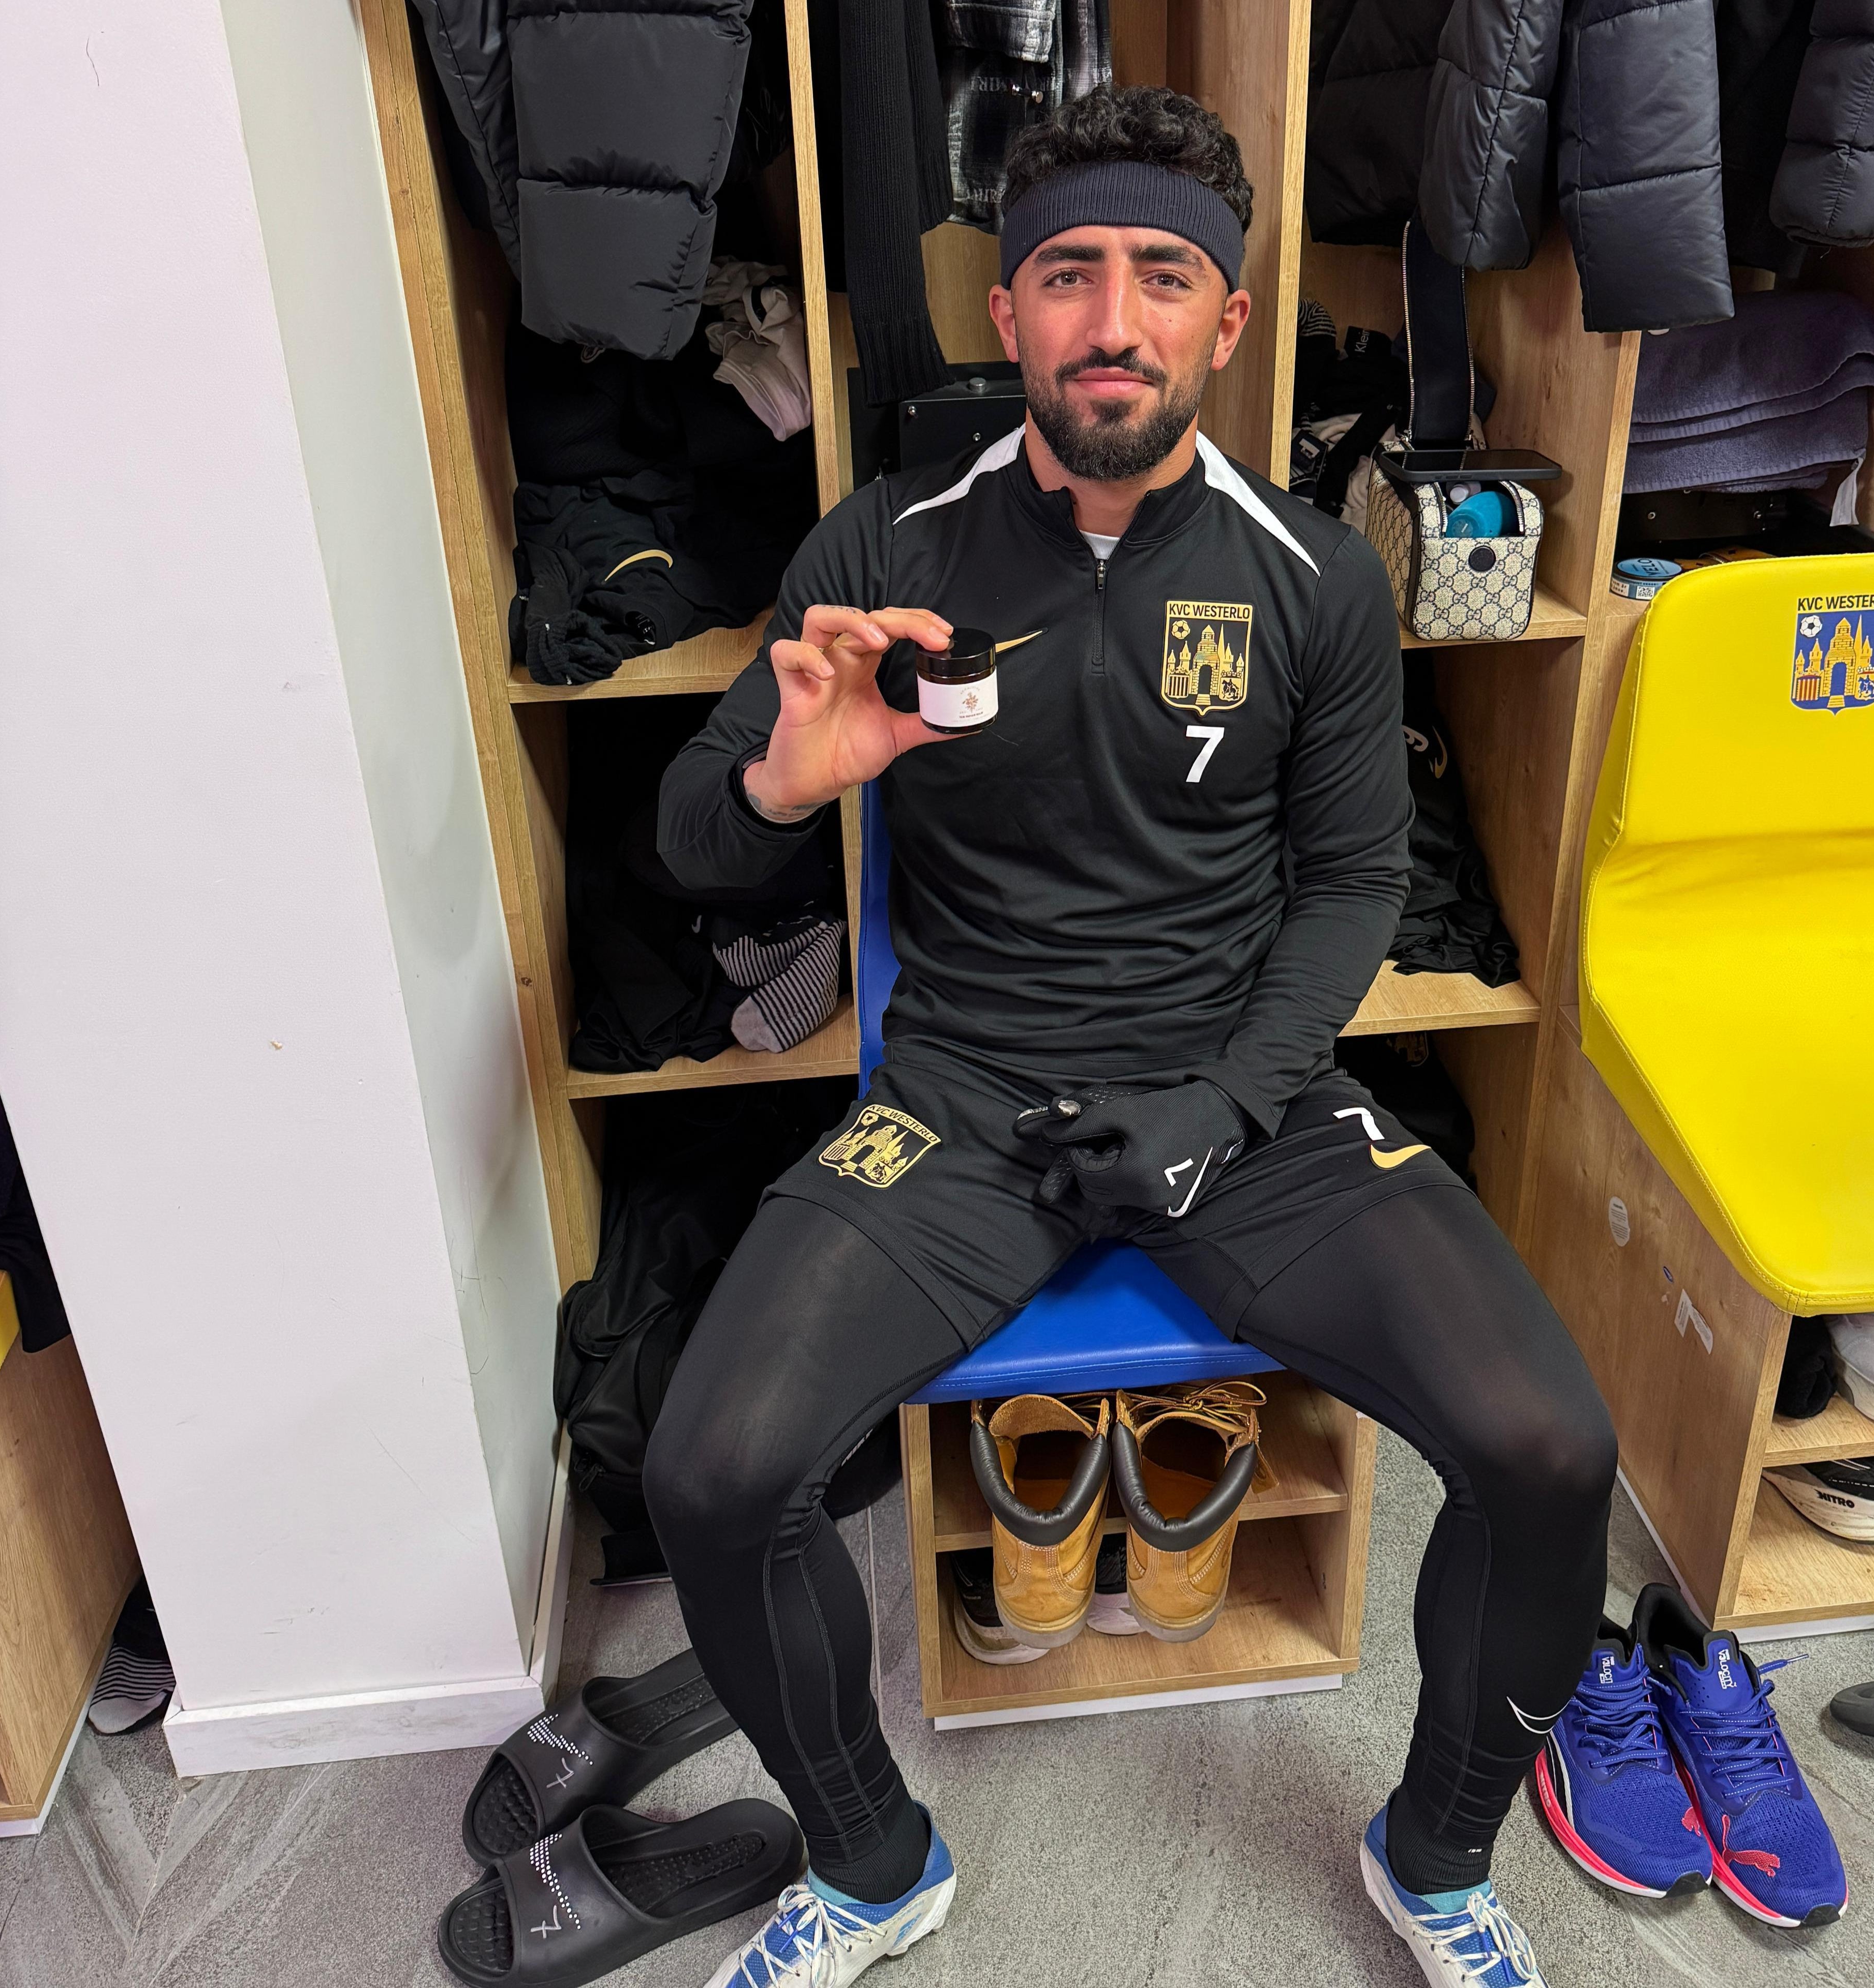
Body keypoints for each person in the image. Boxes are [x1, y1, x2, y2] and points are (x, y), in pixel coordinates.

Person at [649, 85, 1617, 1988]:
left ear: (1226, 322)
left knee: (1549, 1447)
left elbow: (1357, 882)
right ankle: (872, 1866)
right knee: (711, 1471)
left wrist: (1226, 1100)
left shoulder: (1317, 574)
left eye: (1163, 276)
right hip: (963, 1100)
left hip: (1238, 1098)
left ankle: (1435, 1862)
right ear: (1006, 311)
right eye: (1070, 274)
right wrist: (785, 780)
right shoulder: (886, 544)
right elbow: (689, 838)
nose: (1114, 319)